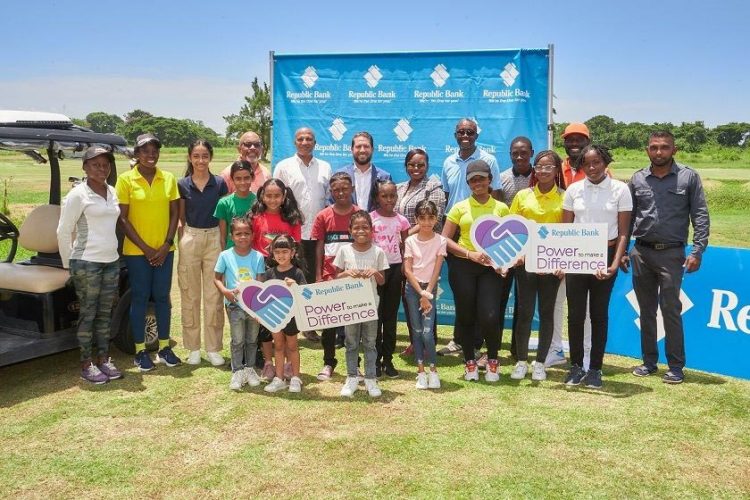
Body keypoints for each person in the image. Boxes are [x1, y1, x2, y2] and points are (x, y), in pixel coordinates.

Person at [625, 131, 710, 384]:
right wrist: (624, 252)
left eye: (664, 147)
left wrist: (697, 250)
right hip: (641, 252)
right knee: (646, 310)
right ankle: (649, 362)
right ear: (647, 150)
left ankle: (675, 366)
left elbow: (701, 215)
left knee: (671, 309)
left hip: (672, 253)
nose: (658, 152)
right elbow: (628, 217)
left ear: (675, 149)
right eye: (654, 147)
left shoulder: (688, 177)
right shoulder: (637, 178)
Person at [562, 145, 632, 389]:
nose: (592, 168)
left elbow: (624, 233)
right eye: (587, 163)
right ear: (581, 165)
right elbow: (565, 231)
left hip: (606, 253)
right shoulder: (573, 190)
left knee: (599, 314)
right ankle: (576, 366)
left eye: (597, 162)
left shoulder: (620, 189)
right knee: (576, 315)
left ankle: (595, 369)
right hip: (578, 255)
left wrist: (613, 264)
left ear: (605, 162)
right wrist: (563, 260)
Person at [441, 160, 511, 382]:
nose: (477, 182)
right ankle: (469, 361)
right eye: (473, 179)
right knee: (466, 315)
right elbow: (444, 240)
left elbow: (508, 241)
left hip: (490, 267)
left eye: (482, 178)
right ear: (468, 182)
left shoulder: (501, 208)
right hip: (464, 265)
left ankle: (492, 359)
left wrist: (504, 261)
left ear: (490, 180)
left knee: (490, 315)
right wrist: (469, 254)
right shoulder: (459, 207)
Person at [115, 133, 180, 371]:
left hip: (165, 250)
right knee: (140, 298)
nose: (150, 155)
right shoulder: (125, 180)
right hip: (136, 251)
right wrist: (146, 249)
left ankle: (164, 347)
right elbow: (123, 218)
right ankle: (140, 351)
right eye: (145, 150)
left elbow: (175, 214)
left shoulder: (168, 178)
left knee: (162, 298)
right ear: (136, 153)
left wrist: (165, 244)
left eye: (154, 151)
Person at [57, 146, 121, 384]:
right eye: (95, 164)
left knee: (105, 314)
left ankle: (104, 359)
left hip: (110, 261)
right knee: (88, 313)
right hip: (86, 262)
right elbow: (64, 230)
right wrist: (68, 265)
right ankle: (87, 363)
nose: (101, 169)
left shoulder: (112, 191)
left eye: (105, 165)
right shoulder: (78, 195)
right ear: (85, 167)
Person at [438, 118, 502, 357]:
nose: (465, 135)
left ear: (476, 135)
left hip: (485, 229)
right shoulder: (448, 162)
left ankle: (478, 344)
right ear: (455, 135)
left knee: (484, 299)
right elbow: (447, 195)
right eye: (461, 132)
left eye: (470, 132)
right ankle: (461, 341)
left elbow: (495, 196)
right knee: (463, 291)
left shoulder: (489, 161)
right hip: (456, 224)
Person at [508, 150, 565, 382]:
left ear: (556, 170)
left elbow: (568, 233)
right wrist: (518, 255)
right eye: (539, 166)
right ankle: (522, 361)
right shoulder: (522, 196)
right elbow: (513, 230)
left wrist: (563, 262)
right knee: (525, 313)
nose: (543, 170)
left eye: (548, 166)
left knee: (547, 313)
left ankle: (540, 363)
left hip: (552, 266)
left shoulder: (564, 196)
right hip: (526, 264)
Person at [273, 127, 332, 342]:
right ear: (294, 142)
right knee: (290, 279)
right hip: (291, 234)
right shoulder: (283, 166)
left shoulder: (325, 167)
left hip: (317, 234)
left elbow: (328, 200)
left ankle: (310, 324)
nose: (305, 142)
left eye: (309, 139)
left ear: (315, 143)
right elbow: (275, 198)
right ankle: (288, 322)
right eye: (300, 139)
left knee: (312, 281)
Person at [546, 123, 596, 369]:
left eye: (580, 139)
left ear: (588, 141)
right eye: (569, 139)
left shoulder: (598, 169)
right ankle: (555, 349)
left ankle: (586, 352)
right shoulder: (558, 169)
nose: (574, 143)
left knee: (583, 307)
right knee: (556, 302)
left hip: (587, 246)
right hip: (560, 243)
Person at [177, 140, 228, 367]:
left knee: (213, 297)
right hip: (190, 237)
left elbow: (224, 216)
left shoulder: (219, 183)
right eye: (196, 156)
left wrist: (224, 244)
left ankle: (213, 348)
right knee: (190, 295)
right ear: (190, 157)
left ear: (210, 157)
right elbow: (179, 217)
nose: (200, 160)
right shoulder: (182, 184)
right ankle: (193, 348)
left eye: (204, 156)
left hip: (214, 239)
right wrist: (183, 240)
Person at [250, 178, 303, 381]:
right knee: (266, 319)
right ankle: (268, 363)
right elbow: (252, 245)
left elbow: (296, 246)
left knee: (286, 317)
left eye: (277, 195)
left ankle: (290, 364)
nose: (272, 199)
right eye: (268, 195)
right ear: (262, 196)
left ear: (284, 197)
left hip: (286, 271)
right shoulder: (256, 217)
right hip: (263, 270)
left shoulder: (292, 218)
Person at [333, 210, 389, 398]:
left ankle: (371, 378)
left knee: (371, 343)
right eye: (356, 227)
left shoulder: (378, 251)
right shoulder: (344, 251)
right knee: (351, 342)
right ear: (350, 230)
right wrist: (346, 274)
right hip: (350, 306)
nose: (361, 231)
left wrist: (375, 272)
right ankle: (352, 377)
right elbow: (336, 277)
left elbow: (382, 282)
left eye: (365, 227)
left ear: (372, 230)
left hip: (371, 305)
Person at [396, 149, 446, 356]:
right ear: (406, 166)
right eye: (412, 164)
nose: (416, 168)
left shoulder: (434, 187)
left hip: (423, 249)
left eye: (421, 165)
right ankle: (415, 340)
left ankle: (428, 341)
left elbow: (432, 218)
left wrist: (406, 237)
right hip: (402, 249)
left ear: (427, 166)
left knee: (426, 295)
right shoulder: (400, 188)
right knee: (409, 295)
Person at [311, 172, 358, 381]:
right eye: (336, 189)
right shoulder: (323, 216)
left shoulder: (360, 214)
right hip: (330, 276)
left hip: (354, 278)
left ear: (352, 190)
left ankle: (354, 363)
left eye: (345, 189)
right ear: (331, 192)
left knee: (353, 325)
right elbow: (319, 247)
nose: (340, 193)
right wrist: (319, 275)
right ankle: (329, 362)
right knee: (329, 324)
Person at [213, 215, 265, 390]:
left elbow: (260, 283)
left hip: (253, 307)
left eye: (246, 233)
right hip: (234, 305)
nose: (242, 237)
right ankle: (237, 371)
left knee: (252, 340)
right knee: (238, 340)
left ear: (252, 235)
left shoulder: (258, 257)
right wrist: (225, 292)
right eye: (238, 234)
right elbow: (217, 279)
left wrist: (258, 307)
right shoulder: (225, 256)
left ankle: (250, 369)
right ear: (231, 236)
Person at [403, 199, 447, 390]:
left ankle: (433, 370)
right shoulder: (410, 240)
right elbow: (407, 270)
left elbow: (437, 269)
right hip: (413, 289)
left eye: (431, 218)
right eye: (423, 218)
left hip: (430, 289)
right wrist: (420, 291)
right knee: (417, 331)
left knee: (428, 333)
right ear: (416, 219)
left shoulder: (441, 241)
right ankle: (421, 372)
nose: (427, 222)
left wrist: (426, 293)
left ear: (436, 218)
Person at [498, 137, 534, 362]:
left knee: (524, 303)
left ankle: (517, 350)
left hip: (531, 250)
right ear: (510, 154)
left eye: (523, 152)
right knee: (499, 298)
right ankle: (493, 347)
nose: (519, 157)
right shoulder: (501, 179)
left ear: (531, 152)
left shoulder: (540, 177)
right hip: (505, 248)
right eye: (515, 153)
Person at [370, 179, 410, 378]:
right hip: (376, 271)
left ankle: (388, 359)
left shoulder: (402, 220)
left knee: (390, 316)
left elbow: (406, 246)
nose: (388, 199)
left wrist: (404, 266)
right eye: (384, 195)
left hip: (395, 270)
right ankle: (375, 360)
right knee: (375, 316)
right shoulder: (371, 219)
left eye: (392, 195)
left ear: (397, 196)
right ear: (377, 197)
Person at [262, 235, 306, 393]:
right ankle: (279, 378)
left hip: (292, 317)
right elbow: (263, 298)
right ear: (272, 253)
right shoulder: (269, 274)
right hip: (275, 317)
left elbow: (306, 294)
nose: (281, 255)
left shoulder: (297, 273)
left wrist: (295, 286)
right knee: (279, 346)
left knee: (292, 347)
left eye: (285, 251)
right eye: (277, 251)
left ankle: (295, 377)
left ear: (292, 252)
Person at [335, 132, 391, 211]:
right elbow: (333, 203)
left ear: (372, 149)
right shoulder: (339, 175)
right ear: (352, 149)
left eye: (366, 146)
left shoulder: (384, 177)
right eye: (358, 146)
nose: (362, 150)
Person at [214, 161, 257, 250]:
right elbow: (222, 237)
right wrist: (224, 256)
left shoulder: (259, 201)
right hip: (231, 252)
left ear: (252, 178)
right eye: (238, 178)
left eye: (246, 178)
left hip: (254, 252)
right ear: (232, 179)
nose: (242, 182)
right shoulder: (224, 203)